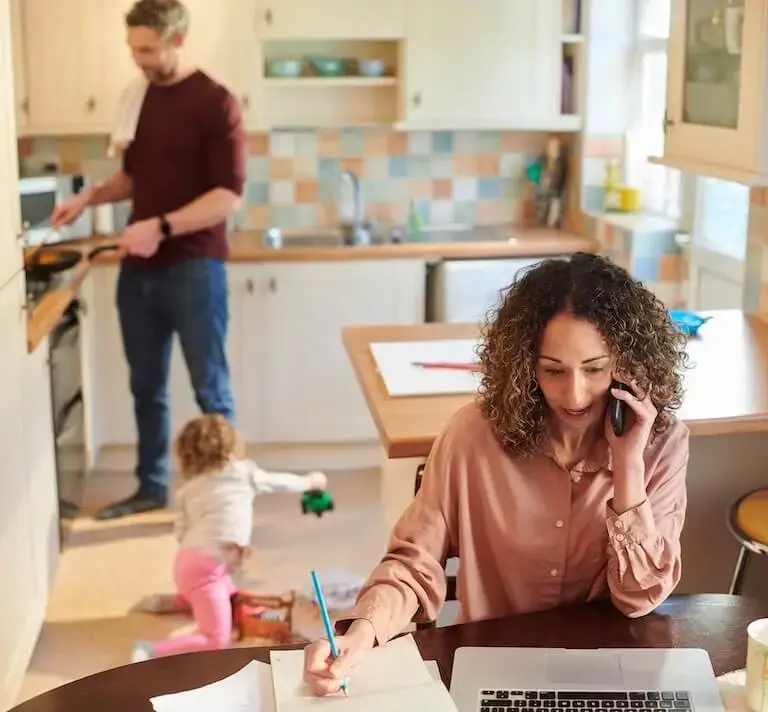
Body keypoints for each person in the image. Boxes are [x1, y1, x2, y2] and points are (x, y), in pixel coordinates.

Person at [303, 252, 691, 695]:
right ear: (526, 365)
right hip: (494, 670)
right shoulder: (473, 435)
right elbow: (415, 563)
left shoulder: (661, 443)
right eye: (553, 371)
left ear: (625, 363)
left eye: (595, 369)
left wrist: (628, 467)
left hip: (608, 673)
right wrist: (363, 631)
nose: (575, 393)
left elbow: (640, 598)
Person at [51, 0, 246, 520]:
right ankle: (150, 486)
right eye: (132, 49)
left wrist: (159, 227)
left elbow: (228, 196)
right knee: (146, 387)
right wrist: (87, 199)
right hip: (139, 272)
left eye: (147, 49)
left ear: (177, 40)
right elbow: (135, 179)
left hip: (195, 268)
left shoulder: (216, 102)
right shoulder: (137, 99)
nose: (137, 59)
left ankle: (225, 501)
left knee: (211, 389)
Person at [132, 413, 328, 661]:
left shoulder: (188, 491)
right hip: (207, 573)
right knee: (217, 639)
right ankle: (150, 650)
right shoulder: (244, 473)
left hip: (188, 564)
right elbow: (280, 482)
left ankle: (187, 598)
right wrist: (311, 481)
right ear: (230, 450)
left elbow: (181, 532)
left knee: (232, 596)